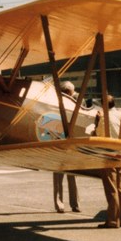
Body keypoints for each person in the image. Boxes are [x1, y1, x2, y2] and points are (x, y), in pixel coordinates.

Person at [96, 95, 121, 228]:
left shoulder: (105, 118)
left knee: (111, 188)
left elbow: (98, 135)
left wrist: (97, 121)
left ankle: (112, 220)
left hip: (109, 154)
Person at [52, 81, 81, 213]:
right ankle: (65, 204)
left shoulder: (72, 104)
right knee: (63, 177)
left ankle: (71, 204)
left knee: (69, 176)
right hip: (60, 144)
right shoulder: (56, 105)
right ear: (67, 92)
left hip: (67, 144)